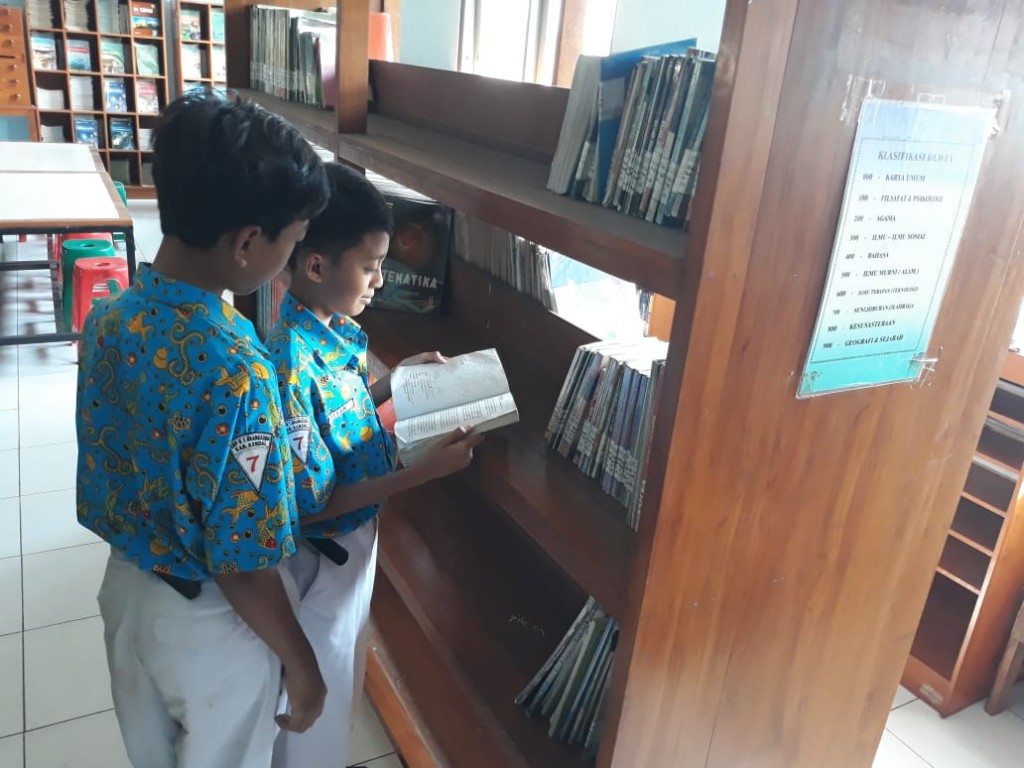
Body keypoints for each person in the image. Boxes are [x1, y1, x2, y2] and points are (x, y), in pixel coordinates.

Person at [76, 91, 330, 768]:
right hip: (207, 623)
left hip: (126, 596)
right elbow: (242, 559)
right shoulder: (235, 365)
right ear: (250, 243)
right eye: (292, 242)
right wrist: (301, 664)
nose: (290, 256)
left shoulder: (110, 318)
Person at [266, 162, 482, 767]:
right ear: (315, 266)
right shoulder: (289, 364)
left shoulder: (339, 332)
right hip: (321, 559)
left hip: (357, 540)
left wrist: (394, 383)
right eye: (370, 267)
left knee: (346, 671)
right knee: (320, 698)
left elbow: (352, 408)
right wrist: (426, 472)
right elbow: (317, 503)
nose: (381, 281)